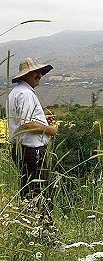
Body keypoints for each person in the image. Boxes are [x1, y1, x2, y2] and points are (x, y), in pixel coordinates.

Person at [7, 58, 59, 224]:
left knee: (28, 189)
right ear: (25, 75)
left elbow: (23, 120)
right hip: (32, 149)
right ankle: (45, 231)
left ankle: (27, 225)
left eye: (39, 72)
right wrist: (49, 129)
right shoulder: (26, 94)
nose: (38, 75)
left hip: (21, 148)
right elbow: (27, 123)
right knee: (41, 190)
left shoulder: (16, 92)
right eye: (34, 72)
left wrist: (43, 119)